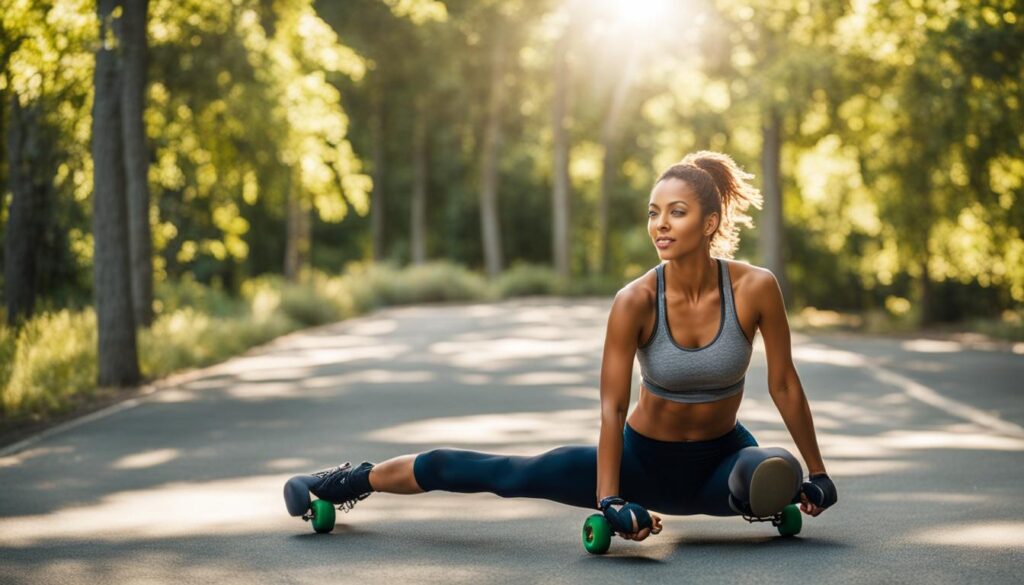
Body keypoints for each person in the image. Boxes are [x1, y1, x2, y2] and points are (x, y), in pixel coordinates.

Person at [284, 150, 838, 541]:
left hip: (724, 462)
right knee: (507, 473)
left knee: (771, 468)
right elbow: (612, 407)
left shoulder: (755, 287)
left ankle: (767, 490)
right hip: (641, 463)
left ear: (710, 220)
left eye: (677, 211)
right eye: (653, 211)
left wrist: (818, 471)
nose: (660, 224)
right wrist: (611, 498)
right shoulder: (636, 301)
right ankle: (346, 481)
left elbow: (784, 384)